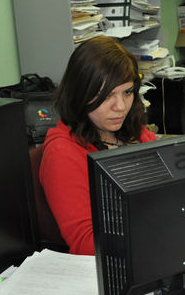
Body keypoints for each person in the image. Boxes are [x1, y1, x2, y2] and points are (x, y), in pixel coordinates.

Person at [39, 37, 156, 255]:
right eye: (107, 96)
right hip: (120, 259)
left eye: (127, 92)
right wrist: (157, 233)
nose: (120, 107)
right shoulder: (62, 154)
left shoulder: (132, 130)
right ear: (81, 94)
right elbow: (86, 244)